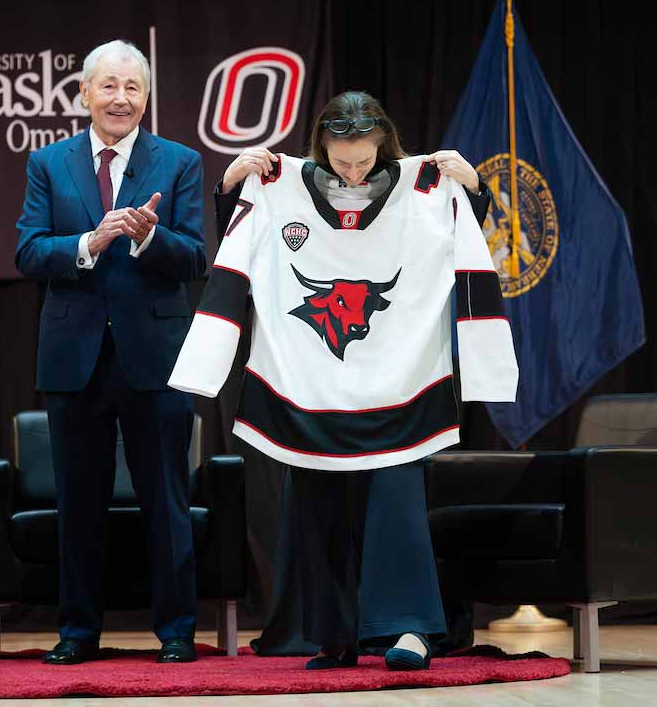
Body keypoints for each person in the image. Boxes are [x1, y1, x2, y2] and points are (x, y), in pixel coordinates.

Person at [171, 90, 517, 671]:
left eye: (364, 160)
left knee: (396, 497)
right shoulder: (280, 185)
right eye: (342, 160)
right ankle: (335, 633)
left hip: (399, 374)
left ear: (385, 146)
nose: (353, 171)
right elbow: (236, 252)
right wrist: (232, 186)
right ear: (321, 147)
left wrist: (474, 190)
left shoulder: (425, 187)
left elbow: (463, 249)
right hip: (309, 378)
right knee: (315, 501)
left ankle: (408, 631)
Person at [15, 39, 206, 665]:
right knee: (79, 503)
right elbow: (28, 252)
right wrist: (88, 242)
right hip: (75, 356)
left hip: (157, 354)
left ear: (146, 97)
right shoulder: (49, 163)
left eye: (132, 88)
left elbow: (197, 256)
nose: (120, 97)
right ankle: (76, 633)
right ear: (84, 94)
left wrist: (152, 239)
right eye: (108, 86)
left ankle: (176, 630)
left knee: (166, 499)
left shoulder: (179, 161)